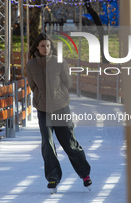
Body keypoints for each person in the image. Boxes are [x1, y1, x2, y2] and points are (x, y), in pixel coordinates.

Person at [26, 33, 91, 193]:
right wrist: (41, 97)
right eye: (42, 46)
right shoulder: (31, 65)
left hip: (61, 108)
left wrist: (57, 95)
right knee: (47, 144)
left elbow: (68, 82)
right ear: (36, 47)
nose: (45, 48)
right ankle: (53, 177)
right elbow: (32, 85)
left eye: (48, 46)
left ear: (51, 47)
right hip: (43, 110)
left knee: (69, 143)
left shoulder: (59, 62)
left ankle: (85, 174)